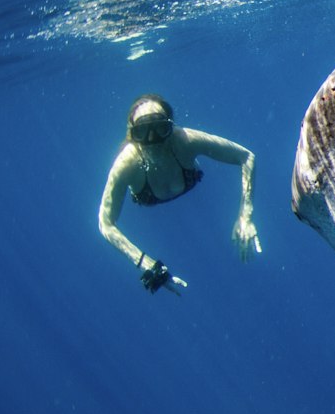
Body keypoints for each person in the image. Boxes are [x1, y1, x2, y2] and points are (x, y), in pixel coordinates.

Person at [98, 95, 261, 295]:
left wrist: (246, 214)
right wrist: (145, 263)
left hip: (177, 183)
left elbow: (246, 157)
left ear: (171, 127)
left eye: (160, 128)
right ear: (133, 135)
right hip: (156, 192)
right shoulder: (125, 164)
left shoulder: (185, 139)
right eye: (143, 131)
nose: (153, 140)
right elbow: (105, 223)